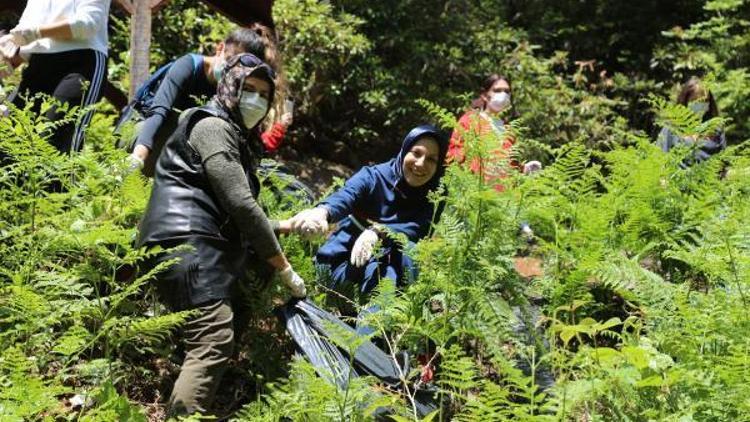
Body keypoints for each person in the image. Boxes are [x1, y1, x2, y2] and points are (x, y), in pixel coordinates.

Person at [137, 53, 305, 416]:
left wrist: (285, 226)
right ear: (230, 85)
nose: (256, 100)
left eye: (264, 94)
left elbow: (227, 210)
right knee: (214, 339)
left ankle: (198, 381)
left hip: (194, 239)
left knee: (238, 297)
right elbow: (241, 206)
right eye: (249, 89)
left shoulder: (232, 134)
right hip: (184, 242)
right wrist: (284, 267)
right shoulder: (212, 127)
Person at [290, 125, 448, 335]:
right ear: (405, 150)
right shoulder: (374, 177)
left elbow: (418, 230)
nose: (421, 164)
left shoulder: (435, 195)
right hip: (339, 269)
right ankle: (365, 346)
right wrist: (323, 212)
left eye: (431, 159)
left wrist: (379, 232)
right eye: (416, 153)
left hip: (385, 275)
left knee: (391, 267)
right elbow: (345, 196)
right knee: (385, 273)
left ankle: (367, 348)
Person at [128, 25, 292, 176]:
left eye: (239, 70)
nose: (232, 71)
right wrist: (138, 157)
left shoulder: (233, 90)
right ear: (220, 49)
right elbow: (158, 111)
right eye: (230, 61)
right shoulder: (188, 66)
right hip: (141, 135)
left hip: (182, 151)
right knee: (202, 118)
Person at [0, 0, 110, 154]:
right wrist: (9, 52)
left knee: (53, 146)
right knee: (8, 142)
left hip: (80, 63)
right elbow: (25, 35)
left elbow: (87, 24)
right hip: (39, 64)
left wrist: (37, 32)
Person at [447, 74, 541, 189]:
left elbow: (509, 166)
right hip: (475, 192)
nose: (503, 95)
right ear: (484, 95)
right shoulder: (469, 120)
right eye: (497, 90)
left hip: (504, 198)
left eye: (507, 91)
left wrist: (524, 169)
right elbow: (454, 156)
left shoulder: (509, 130)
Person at [656, 76, 726, 166]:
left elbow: (724, 162)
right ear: (685, 101)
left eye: (705, 101)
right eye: (695, 100)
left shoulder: (716, 128)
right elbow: (659, 159)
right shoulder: (672, 128)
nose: (700, 104)